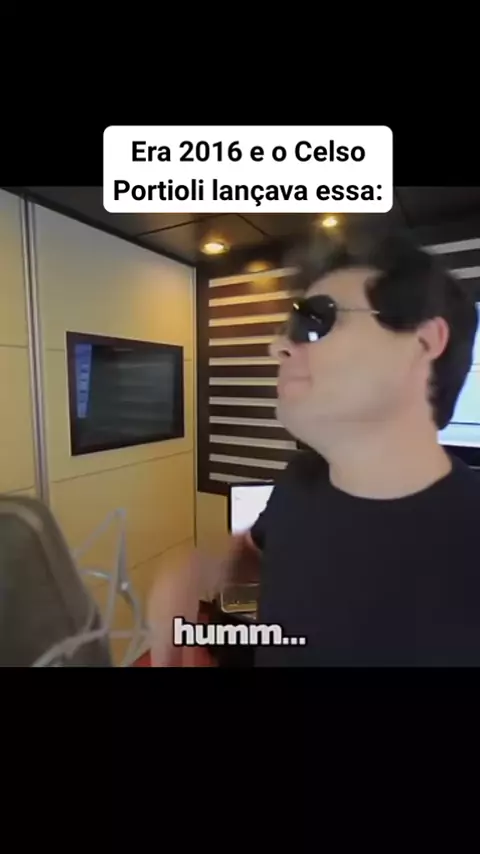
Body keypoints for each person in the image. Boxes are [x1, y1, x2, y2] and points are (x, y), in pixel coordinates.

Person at [148, 227, 480, 667]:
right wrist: (196, 569)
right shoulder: (299, 481)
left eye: (315, 321)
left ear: (423, 341)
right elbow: (259, 558)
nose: (277, 346)